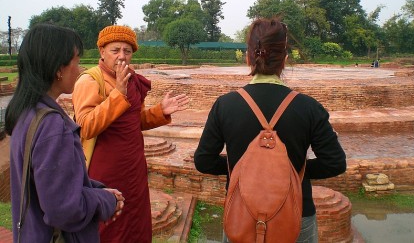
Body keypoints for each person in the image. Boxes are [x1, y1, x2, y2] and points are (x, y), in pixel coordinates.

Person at [194, 18, 347, 243]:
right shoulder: (308, 107)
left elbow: (204, 161)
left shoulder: (225, 105)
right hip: (296, 215)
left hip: (242, 213)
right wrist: (289, 171)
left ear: (248, 57)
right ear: (284, 60)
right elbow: (335, 163)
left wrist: (244, 167)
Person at [5, 24, 124, 243]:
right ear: (58, 69)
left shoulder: (27, 112)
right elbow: (64, 209)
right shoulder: (52, 126)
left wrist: (97, 189)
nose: (79, 70)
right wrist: (105, 201)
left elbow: (51, 183)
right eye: (76, 62)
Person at [72, 25, 189, 243]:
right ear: (102, 51)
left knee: (136, 223)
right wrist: (118, 93)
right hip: (105, 170)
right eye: (115, 50)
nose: (122, 56)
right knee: (108, 227)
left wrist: (159, 112)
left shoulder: (132, 79)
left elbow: (133, 122)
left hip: (133, 168)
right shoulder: (90, 81)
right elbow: (86, 126)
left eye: (127, 51)